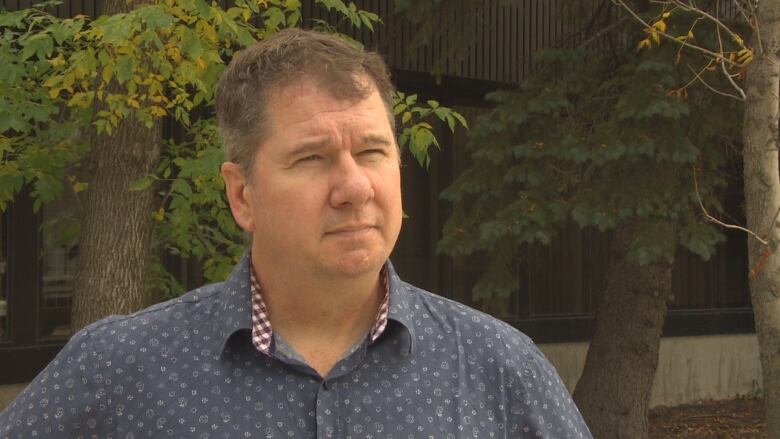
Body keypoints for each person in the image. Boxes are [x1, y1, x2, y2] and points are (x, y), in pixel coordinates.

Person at [0, 28, 592, 438]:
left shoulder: (500, 368)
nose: (355, 187)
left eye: (373, 151)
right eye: (312, 158)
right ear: (242, 195)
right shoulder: (120, 369)